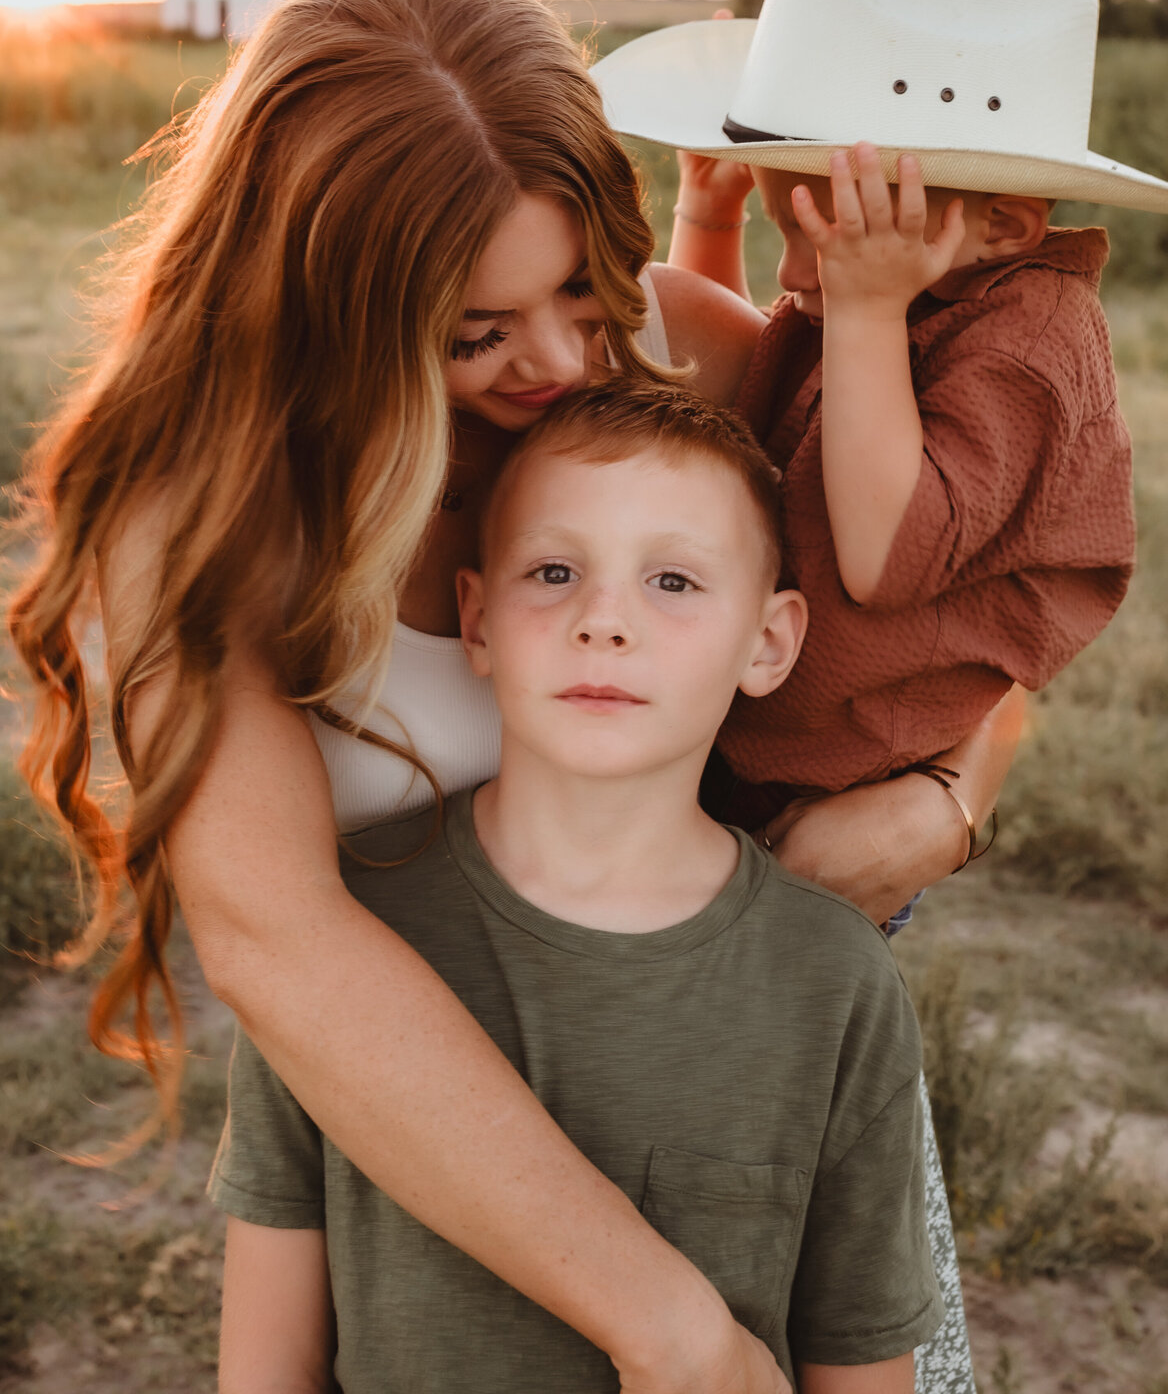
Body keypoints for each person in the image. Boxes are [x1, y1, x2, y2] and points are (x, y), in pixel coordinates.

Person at [8, 0, 1012, 1394]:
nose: (558, 360)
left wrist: (947, 798)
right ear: (325, 310)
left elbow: (963, 618)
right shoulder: (213, 517)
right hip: (426, 1177)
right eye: (474, 331)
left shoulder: (681, 362)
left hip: (745, 1128)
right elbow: (279, 939)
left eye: (582, 293)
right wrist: (670, 1336)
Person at [213, 382, 943, 1394]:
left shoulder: (833, 979)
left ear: (769, 642)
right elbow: (267, 1364)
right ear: (475, 617)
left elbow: (859, 1367)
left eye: (676, 583)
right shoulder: (344, 927)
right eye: (554, 571)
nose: (605, 621)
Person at [593, 0, 1168, 834]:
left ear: (1002, 225)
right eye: (781, 226)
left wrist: (867, 307)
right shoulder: (880, 291)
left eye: (827, 238)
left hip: (829, 790)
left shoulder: (1028, 344)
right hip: (750, 745)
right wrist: (711, 219)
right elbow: (740, 403)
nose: (795, 272)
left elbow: (886, 558)